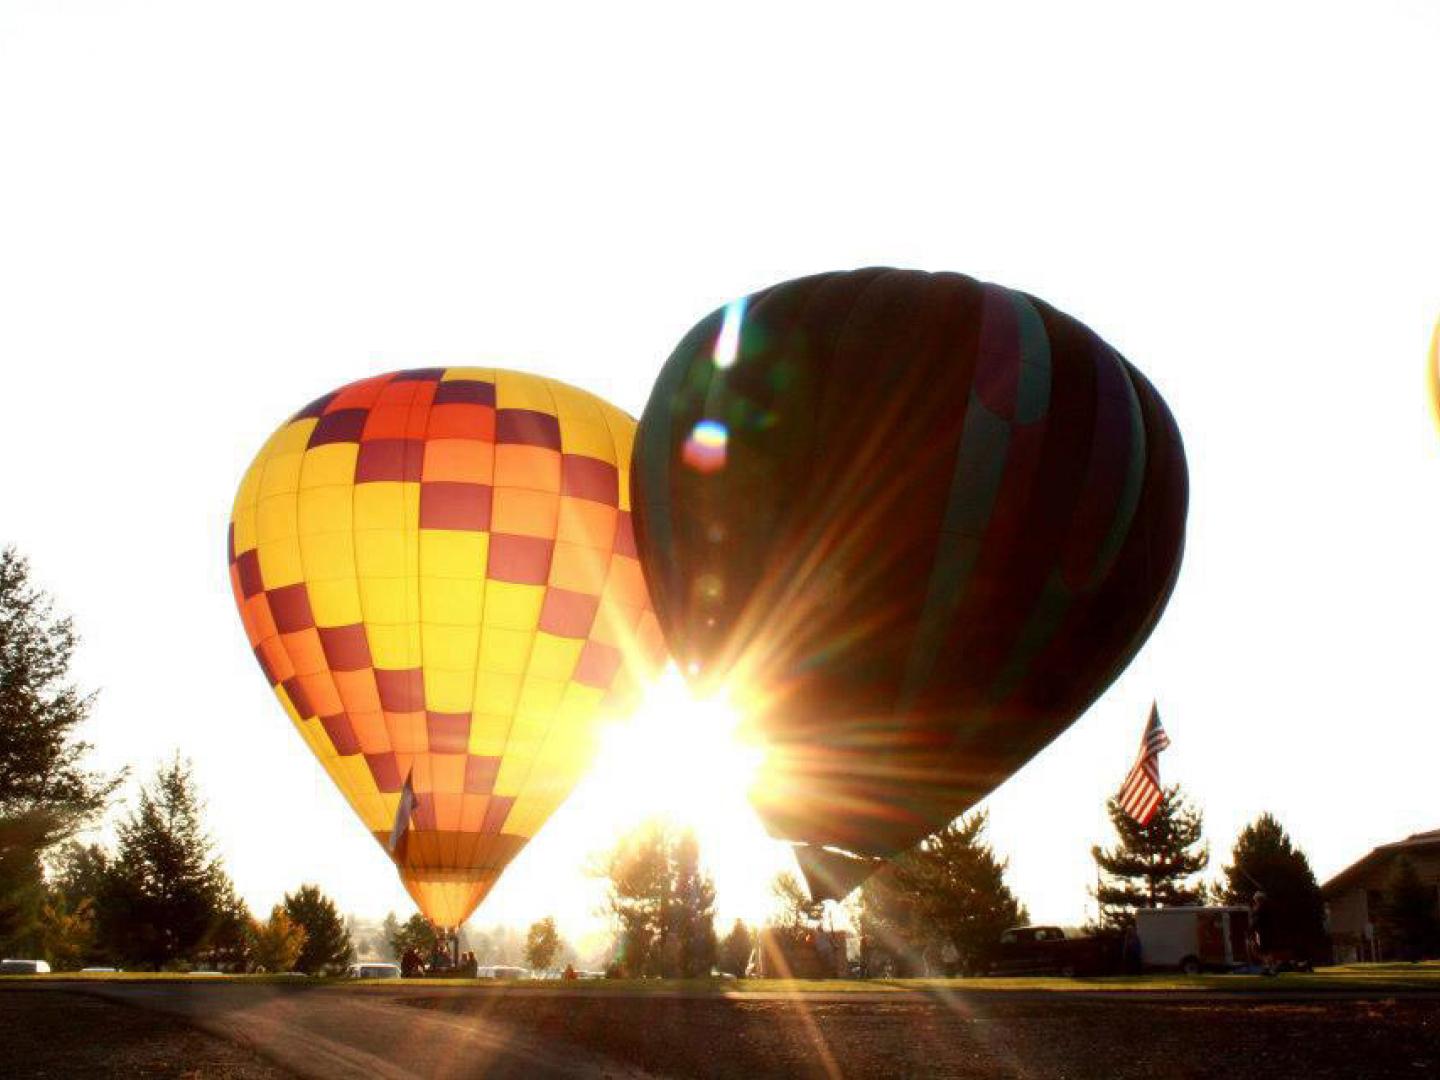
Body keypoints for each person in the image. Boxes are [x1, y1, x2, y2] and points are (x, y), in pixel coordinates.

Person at [1250, 891, 1276, 976]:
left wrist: (1251, 930)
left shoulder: (1259, 909)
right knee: (1267, 951)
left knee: (1261, 951)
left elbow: (1256, 922)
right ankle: (1269, 968)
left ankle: (1268, 968)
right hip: (1267, 932)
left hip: (1262, 932)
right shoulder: (1267, 908)